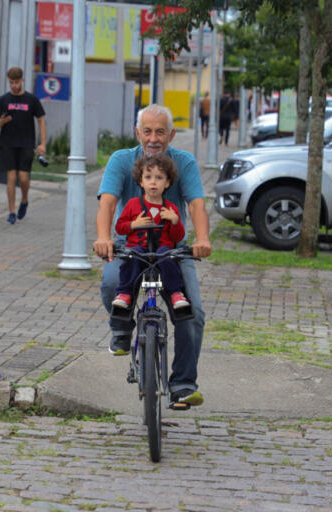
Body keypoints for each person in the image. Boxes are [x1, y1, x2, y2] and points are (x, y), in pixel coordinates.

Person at [94, 103, 212, 408]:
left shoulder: (183, 162)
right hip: (129, 246)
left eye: (160, 131)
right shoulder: (121, 160)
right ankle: (122, 329)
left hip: (172, 249)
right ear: (137, 133)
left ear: (171, 134)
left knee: (193, 313)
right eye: (147, 131)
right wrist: (104, 238)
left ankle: (183, 384)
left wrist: (202, 239)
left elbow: (197, 204)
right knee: (110, 284)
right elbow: (107, 204)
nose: (154, 138)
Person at [112, 154, 190, 311]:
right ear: (141, 181)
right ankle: (125, 293)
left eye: (159, 177)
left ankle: (175, 293)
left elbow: (177, 237)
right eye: (148, 177)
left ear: (167, 183)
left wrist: (175, 221)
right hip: (139, 250)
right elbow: (119, 227)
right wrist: (133, 224)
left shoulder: (170, 208)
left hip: (161, 252)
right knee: (132, 256)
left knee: (168, 256)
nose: (153, 182)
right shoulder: (133, 204)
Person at [0, 67, 46, 224]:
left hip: (26, 143)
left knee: (23, 178)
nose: (14, 86)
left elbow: (41, 120)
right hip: (8, 143)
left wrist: (42, 143)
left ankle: (24, 200)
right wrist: (3, 121)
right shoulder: (3, 100)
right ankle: (11, 212)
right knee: (11, 176)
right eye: (11, 83)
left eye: (16, 82)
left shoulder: (31, 100)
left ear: (22, 80)